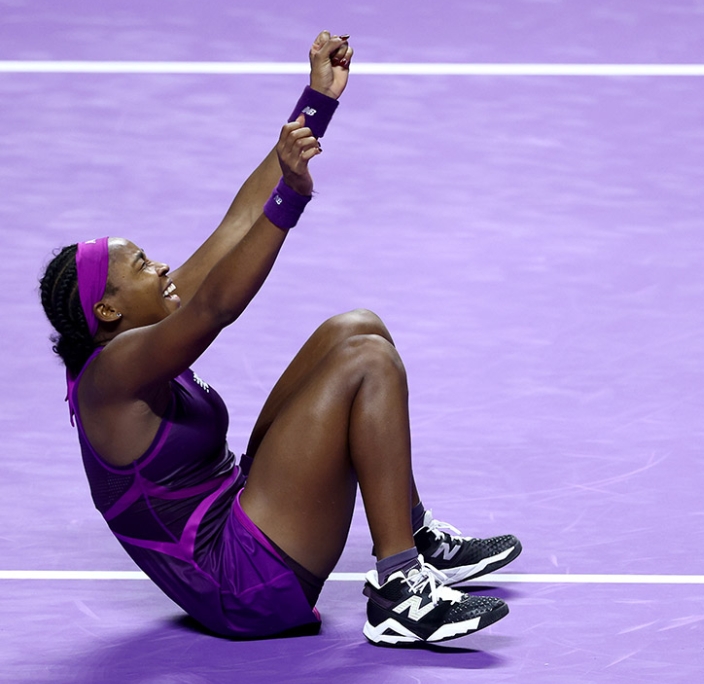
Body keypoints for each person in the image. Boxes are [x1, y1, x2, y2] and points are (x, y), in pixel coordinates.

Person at [37, 31, 521, 646]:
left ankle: (414, 530)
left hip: (243, 515)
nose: (160, 268)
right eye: (142, 266)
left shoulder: (142, 323)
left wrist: (318, 101)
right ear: (106, 310)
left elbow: (237, 222)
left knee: (356, 327)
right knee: (368, 362)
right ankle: (399, 591)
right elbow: (214, 307)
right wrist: (291, 198)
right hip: (243, 585)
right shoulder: (114, 374)